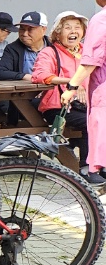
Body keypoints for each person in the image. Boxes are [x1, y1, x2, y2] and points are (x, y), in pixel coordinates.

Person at [33, 12, 90, 167]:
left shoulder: (88, 53)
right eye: (67, 27)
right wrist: (73, 83)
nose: (73, 31)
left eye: (77, 27)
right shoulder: (49, 52)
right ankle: (87, 168)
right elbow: (40, 75)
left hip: (86, 106)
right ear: (57, 33)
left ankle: (100, 165)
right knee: (90, 122)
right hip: (58, 107)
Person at [68, 0, 106, 186]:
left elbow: (91, 59)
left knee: (100, 125)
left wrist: (72, 87)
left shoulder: (100, 20)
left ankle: (94, 170)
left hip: (102, 85)